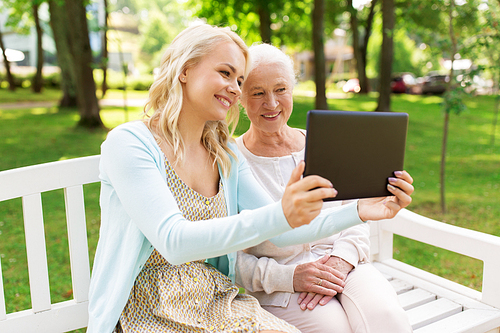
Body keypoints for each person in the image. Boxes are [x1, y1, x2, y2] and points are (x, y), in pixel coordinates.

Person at [87, 24, 412, 333]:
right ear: (184, 70)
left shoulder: (222, 151)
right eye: (225, 73)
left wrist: (359, 211)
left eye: (239, 79)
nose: (234, 87)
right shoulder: (130, 142)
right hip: (149, 306)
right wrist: (283, 214)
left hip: (214, 297)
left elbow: (284, 232)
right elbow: (174, 242)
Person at [235, 43, 414, 333]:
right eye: (257, 92)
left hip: (345, 262)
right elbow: (230, 255)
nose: (271, 103)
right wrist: (289, 277)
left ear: (292, 90)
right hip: (280, 284)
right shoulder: (232, 161)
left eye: (280, 89)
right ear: (240, 96)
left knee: (387, 319)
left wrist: (342, 260)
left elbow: (355, 214)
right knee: (333, 328)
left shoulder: (324, 142)